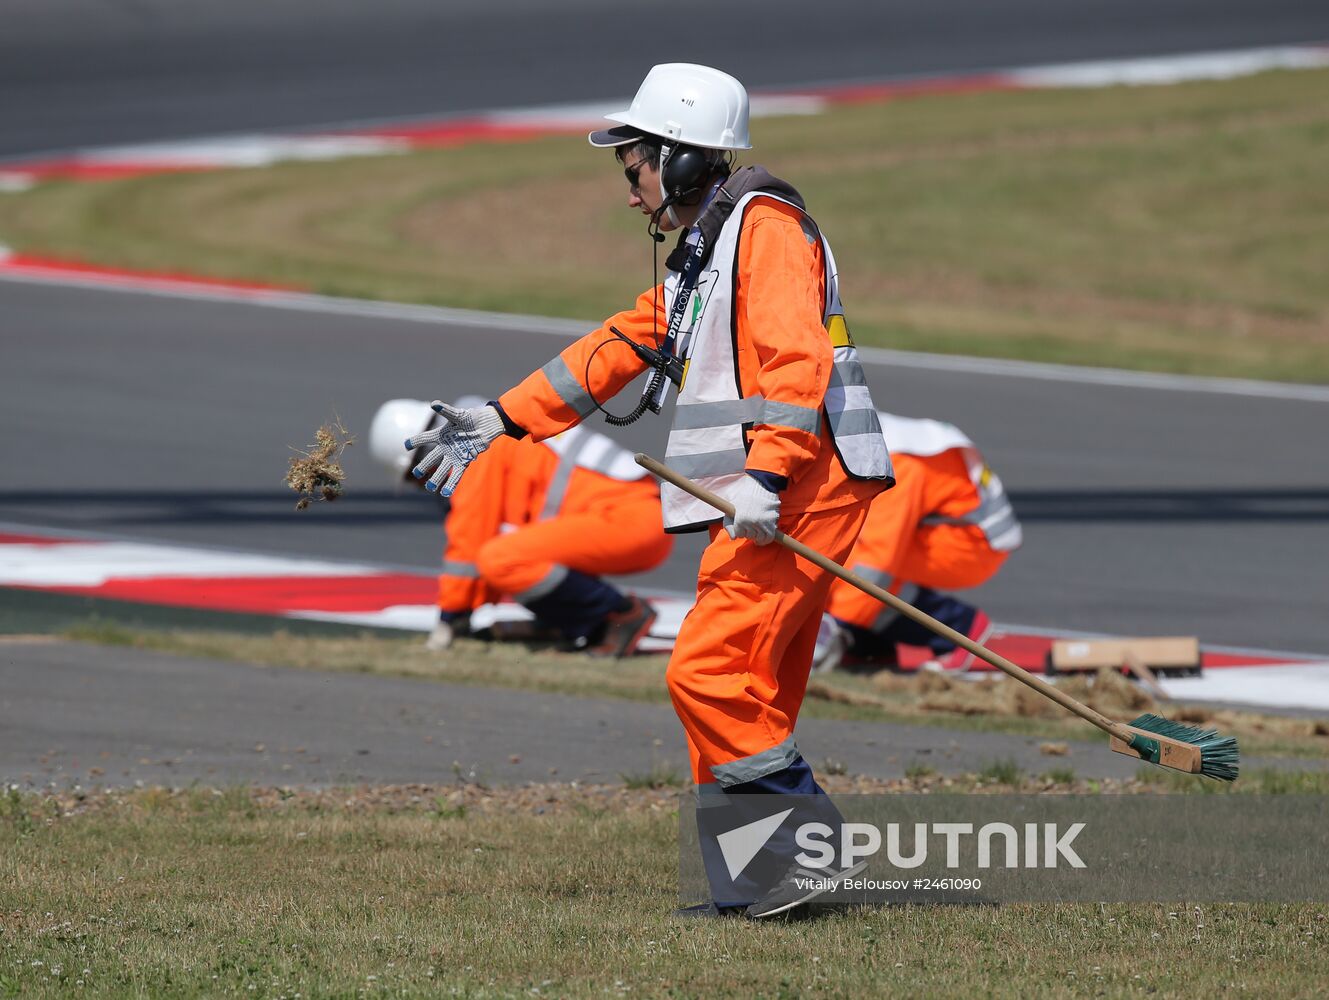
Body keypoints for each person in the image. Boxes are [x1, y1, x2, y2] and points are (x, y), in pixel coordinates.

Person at [404, 64, 894, 918]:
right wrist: (501, 418)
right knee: (747, 693)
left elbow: (795, 363)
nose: (630, 195)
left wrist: (767, 477)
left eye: (632, 168)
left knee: (703, 674)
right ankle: (756, 887)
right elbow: (623, 342)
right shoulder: (715, 245)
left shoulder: (764, 228)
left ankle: (805, 855)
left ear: (674, 160)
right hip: (766, 496)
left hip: (791, 494)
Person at [370, 397, 672, 657]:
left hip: (631, 520)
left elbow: (470, 543)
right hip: (638, 515)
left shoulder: (473, 451)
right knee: (516, 553)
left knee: (502, 559)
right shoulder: (486, 432)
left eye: (419, 476)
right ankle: (565, 624)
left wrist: (452, 618)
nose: (429, 485)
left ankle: (619, 616)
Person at [815, 412, 1022, 674]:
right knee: (848, 558)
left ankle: (959, 629)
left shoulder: (895, 462)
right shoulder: (874, 438)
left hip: (971, 545)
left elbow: (877, 559)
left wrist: (838, 625)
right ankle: (869, 646)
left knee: (859, 565)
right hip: (959, 533)